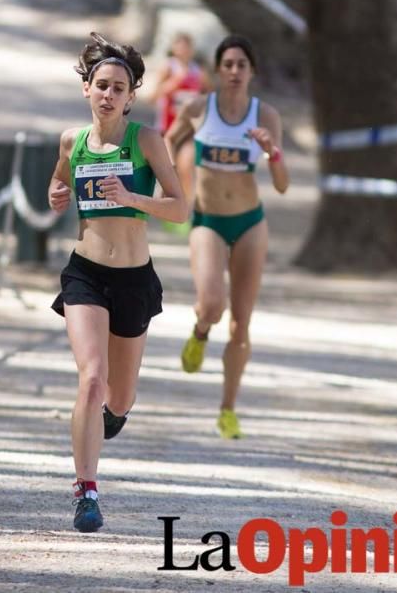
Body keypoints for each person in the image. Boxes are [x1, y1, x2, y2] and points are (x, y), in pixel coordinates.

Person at [48, 32, 187, 533]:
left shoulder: (146, 141)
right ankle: (86, 491)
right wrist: (57, 195)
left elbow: (180, 207)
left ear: (131, 97)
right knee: (91, 378)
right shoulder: (72, 140)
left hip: (133, 279)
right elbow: (60, 178)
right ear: (87, 89)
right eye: (101, 85)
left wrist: (132, 197)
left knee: (119, 397)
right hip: (85, 272)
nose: (108, 95)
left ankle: (109, 418)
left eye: (119, 88)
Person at [164, 34, 289, 440]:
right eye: (228, 64)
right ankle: (200, 330)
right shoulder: (200, 108)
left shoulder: (265, 115)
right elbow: (167, 141)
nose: (235, 71)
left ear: (252, 72)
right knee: (213, 304)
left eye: (242, 65)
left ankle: (227, 409)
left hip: (251, 223)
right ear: (218, 70)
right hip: (209, 221)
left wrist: (272, 153)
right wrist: (167, 189)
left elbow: (283, 185)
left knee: (241, 324)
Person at [151, 33, 211, 214]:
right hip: (166, 128)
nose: (184, 50)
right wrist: (175, 82)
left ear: (192, 50)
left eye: (187, 46)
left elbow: (210, 97)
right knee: (169, 170)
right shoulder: (168, 68)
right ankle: (166, 207)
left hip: (189, 130)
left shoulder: (198, 72)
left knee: (186, 168)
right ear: (174, 48)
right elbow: (153, 96)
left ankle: (184, 210)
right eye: (180, 45)